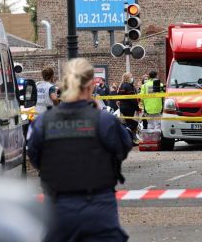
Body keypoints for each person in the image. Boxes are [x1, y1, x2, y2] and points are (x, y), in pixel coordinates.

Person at [27, 58, 132, 241]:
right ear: (92, 85)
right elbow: (123, 148)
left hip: (58, 213)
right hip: (99, 212)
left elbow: (35, 157)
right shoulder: (104, 121)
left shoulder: (43, 122)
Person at [118, 72, 141, 143]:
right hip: (129, 108)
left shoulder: (121, 85)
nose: (132, 78)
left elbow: (118, 95)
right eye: (131, 76)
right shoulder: (128, 86)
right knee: (134, 124)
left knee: (128, 123)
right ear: (128, 78)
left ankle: (129, 140)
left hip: (122, 107)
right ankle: (125, 133)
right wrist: (137, 108)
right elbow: (132, 99)